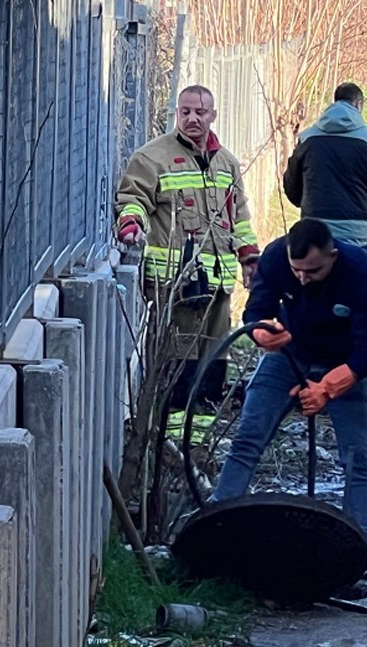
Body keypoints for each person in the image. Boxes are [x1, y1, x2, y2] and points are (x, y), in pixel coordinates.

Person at [208, 219, 367, 586]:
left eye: (313, 270)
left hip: (346, 362)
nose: (304, 278)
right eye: (297, 272)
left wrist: (327, 387)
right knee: (248, 438)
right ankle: (216, 528)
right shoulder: (277, 257)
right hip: (288, 357)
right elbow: (256, 308)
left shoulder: (364, 275)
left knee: (359, 457)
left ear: (333, 256)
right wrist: (263, 332)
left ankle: (361, 553)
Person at [115, 85, 260, 406]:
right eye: (186, 111)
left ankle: (195, 448)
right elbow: (132, 199)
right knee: (177, 369)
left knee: (212, 370)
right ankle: (168, 444)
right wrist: (130, 224)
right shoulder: (152, 157)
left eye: (200, 112)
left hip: (218, 287)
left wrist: (249, 256)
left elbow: (240, 216)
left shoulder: (227, 163)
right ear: (176, 113)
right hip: (174, 287)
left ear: (213, 115)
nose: (192, 118)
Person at [282, 82, 367, 254]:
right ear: (359, 104)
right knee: (355, 280)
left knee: (317, 279)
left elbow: (291, 186)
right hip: (358, 237)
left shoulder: (307, 139)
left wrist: (309, 205)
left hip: (315, 232)